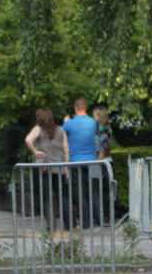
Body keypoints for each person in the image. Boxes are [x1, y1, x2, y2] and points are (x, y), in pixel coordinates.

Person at [25, 107, 72, 231]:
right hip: (59, 167)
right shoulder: (61, 130)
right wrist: (66, 168)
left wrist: (35, 151)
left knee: (47, 197)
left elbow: (28, 139)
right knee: (62, 196)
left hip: (44, 168)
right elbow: (66, 150)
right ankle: (69, 225)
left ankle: (52, 226)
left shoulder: (38, 129)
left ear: (39, 117)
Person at [62, 98, 99, 227]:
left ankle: (86, 221)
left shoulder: (69, 124)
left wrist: (66, 122)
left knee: (79, 193)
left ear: (75, 108)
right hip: (94, 162)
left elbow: (63, 137)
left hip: (75, 163)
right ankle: (101, 218)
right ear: (87, 108)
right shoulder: (94, 122)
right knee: (95, 191)